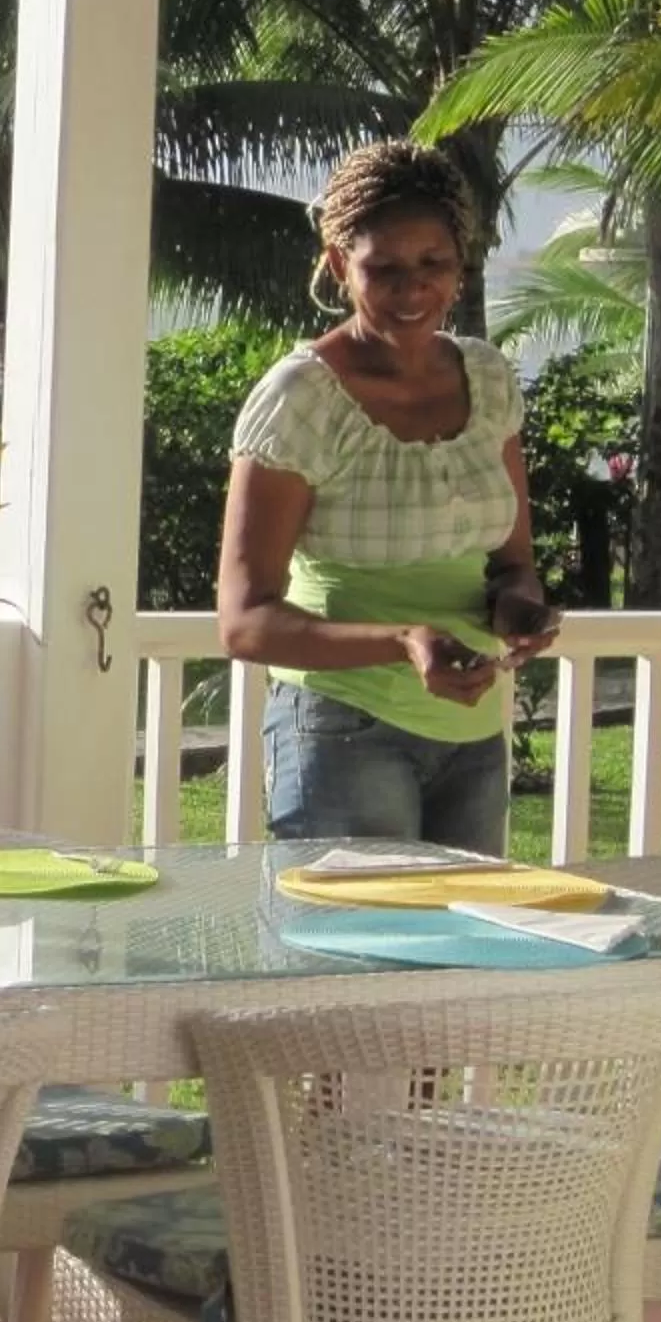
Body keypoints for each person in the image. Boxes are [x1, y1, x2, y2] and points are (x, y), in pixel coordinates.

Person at [216, 141, 560, 854]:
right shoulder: (301, 396)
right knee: (356, 960)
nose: (412, 291)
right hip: (344, 731)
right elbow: (244, 623)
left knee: (460, 959)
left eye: (433, 265)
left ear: (459, 263)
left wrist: (520, 609)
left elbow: (511, 564)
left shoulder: (489, 379)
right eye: (385, 270)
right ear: (341, 265)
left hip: (472, 739)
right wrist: (403, 643)